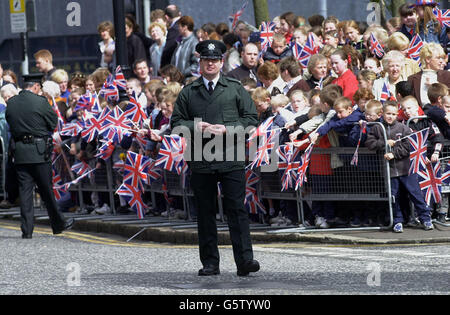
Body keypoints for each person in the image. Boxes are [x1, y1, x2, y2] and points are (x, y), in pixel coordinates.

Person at [171, 40, 260, 277]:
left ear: (221, 62)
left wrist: (228, 129)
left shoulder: (234, 88)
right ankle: (210, 262)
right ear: (200, 63)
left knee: (236, 210)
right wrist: (197, 127)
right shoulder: (189, 91)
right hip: (201, 159)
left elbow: (251, 118)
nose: (210, 64)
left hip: (231, 157)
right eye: (205, 60)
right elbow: (176, 123)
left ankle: (245, 260)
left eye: (214, 60)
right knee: (206, 212)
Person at [5, 73, 73, 239]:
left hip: (20, 153)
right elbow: (52, 123)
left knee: (25, 192)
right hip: (39, 152)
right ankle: (58, 224)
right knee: (46, 190)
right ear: (36, 87)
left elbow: (10, 124)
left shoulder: (11, 103)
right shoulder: (41, 102)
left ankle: (27, 230)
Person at [365, 102, 434, 233]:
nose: (390, 116)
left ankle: (425, 218)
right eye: (388, 114)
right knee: (394, 196)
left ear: (397, 114)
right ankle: (397, 221)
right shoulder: (377, 128)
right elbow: (369, 143)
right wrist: (383, 143)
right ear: (382, 114)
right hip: (389, 170)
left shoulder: (403, 128)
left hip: (406, 168)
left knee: (415, 194)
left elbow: (409, 145)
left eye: (393, 114)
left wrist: (394, 154)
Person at [407, 42, 450, 106]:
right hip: (421, 114)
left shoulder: (447, 76)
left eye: (442, 58)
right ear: (427, 59)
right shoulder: (412, 79)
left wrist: (436, 85)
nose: (441, 61)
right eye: (438, 58)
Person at [171, 16, 199, 80]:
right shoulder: (180, 42)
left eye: (179, 26)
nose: (178, 29)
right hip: (178, 80)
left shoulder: (194, 43)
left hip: (187, 80)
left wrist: (181, 74)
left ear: (185, 27)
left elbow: (195, 64)